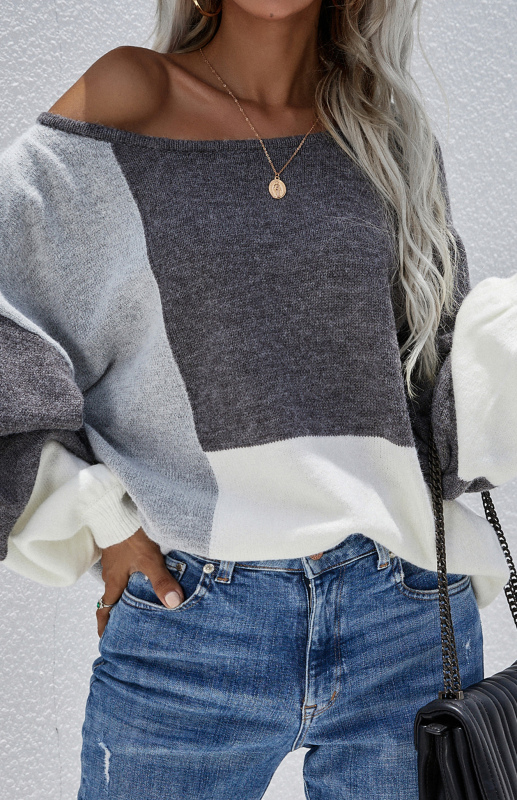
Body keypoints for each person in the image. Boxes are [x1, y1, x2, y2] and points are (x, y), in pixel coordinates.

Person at [1, 0, 516, 797]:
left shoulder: (384, 135)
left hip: (405, 609)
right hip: (194, 619)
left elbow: (429, 379)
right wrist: (96, 517)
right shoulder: (132, 92)